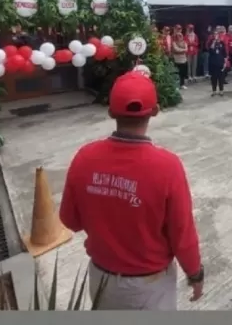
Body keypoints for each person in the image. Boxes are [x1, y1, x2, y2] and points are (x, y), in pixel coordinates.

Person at [59, 71, 204, 310]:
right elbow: (182, 233)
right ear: (155, 110)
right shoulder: (167, 166)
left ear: (110, 112)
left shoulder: (85, 157)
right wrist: (195, 274)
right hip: (149, 289)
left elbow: (70, 220)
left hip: (101, 279)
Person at [208, 26, 228, 96]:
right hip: (213, 63)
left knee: (221, 78)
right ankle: (214, 91)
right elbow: (210, 49)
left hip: (220, 63)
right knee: (213, 78)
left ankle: (221, 90)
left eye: (217, 34)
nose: (216, 35)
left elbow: (225, 54)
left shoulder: (222, 43)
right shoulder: (211, 42)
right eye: (215, 34)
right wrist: (214, 41)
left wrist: (225, 63)